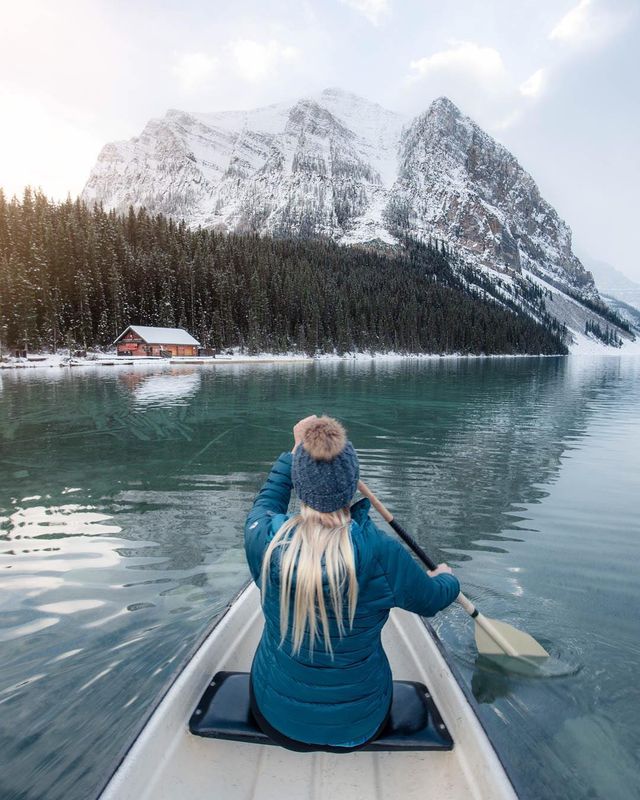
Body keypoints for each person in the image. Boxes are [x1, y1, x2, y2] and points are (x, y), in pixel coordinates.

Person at [244, 414, 460, 752]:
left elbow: (269, 498)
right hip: (360, 724)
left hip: (275, 719)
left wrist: (297, 452)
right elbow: (432, 600)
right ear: (353, 484)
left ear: (301, 484)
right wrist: (448, 579)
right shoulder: (382, 554)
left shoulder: (264, 539)